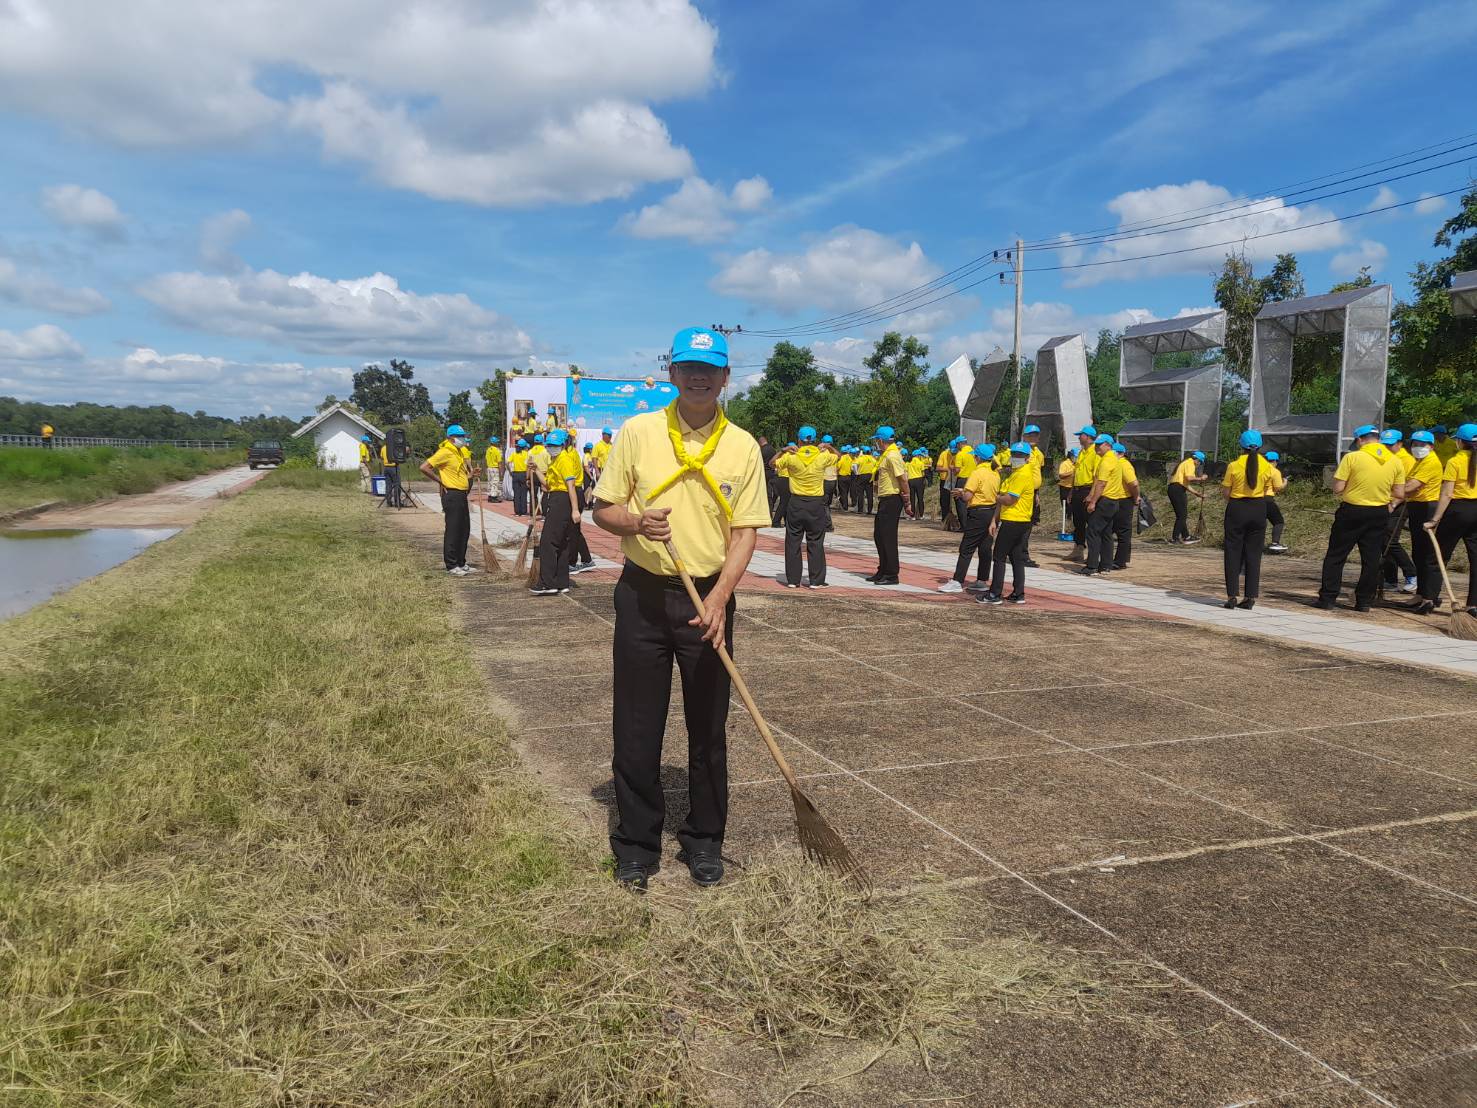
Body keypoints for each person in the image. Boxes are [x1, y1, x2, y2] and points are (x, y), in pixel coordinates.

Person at [591, 326, 767, 891]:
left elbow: (744, 534)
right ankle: (637, 846)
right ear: (671, 372)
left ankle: (704, 841)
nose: (697, 376)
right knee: (637, 728)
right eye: (688, 366)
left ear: (725, 377)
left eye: (709, 368)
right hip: (643, 595)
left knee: (708, 728)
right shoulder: (638, 433)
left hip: (708, 598)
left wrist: (719, 600)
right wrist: (635, 522)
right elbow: (604, 510)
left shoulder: (742, 445)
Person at [1315, 425, 1403, 612]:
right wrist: (1388, 502)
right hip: (1379, 512)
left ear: (1360, 440)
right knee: (1371, 559)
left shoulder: (1352, 457)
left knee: (1336, 555)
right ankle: (1364, 601)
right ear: (1377, 439)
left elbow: (1338, 488)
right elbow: (1399, 493)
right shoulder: (1395, 461)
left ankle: (1328, 598)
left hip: (1352, 511)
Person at [1221, 430, 1282, 610]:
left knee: (1233, 551)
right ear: (1261, 445)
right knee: (1254, 554)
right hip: (1258, 508)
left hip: (1237, 508)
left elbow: (1226, 492)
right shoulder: (1268, 466)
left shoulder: (1233, 465)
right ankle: (1250, 597)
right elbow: (1277, 487)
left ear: (1241, 445)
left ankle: (1232, 596)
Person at [1423, 423, 1477, 617]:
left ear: (1460, 442)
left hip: (1458, 510)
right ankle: (1473, 604)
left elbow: (1446, 493)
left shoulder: (1455, 461)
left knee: (1438, 555)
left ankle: (1429, 598)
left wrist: (1435, 519)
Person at [977, 443, 1038, 604]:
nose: (1016, 457)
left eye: (1020, 454)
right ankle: (1018, 593)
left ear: (1027, 457)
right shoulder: (1016, 473)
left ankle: (994, 593)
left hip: (1014, 520)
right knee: (1016, 557)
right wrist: (994, 520)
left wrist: (995, 497)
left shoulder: (1022, 474)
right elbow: (1004, 499)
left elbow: (1010, 499)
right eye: (1014, 454)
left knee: (999, 556)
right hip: (1020, 520)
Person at [775, 426, 835, 588]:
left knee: (793, 540)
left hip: (796, 502)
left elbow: (772, 463)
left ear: (799, 440)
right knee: (815, 540)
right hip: (816, 502)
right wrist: (828, 447)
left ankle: (793, 580)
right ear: (814, 440)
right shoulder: (822, 456)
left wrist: (783, 450)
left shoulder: (791, 457)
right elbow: (839, 457)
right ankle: (816, 580)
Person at [938, 444, 999, 593]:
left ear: (978, 458)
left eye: (974, 456)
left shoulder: (977, 473)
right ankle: (982, 580)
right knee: (985, 548)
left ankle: (957, 580)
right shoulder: (995, 473)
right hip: (991, 512)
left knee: (966, 547)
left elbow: (968, 496)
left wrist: (961, 493)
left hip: (977, 512)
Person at [529, 430, 583, 595]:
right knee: (561, 543)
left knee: (548, 542)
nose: (552, 448)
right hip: (555, 497)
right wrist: (537, 470)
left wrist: (575, 509)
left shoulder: (564, 460)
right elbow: (548, 485)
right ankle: (561, 581)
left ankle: (548, 583)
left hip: (562, 501)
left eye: (555, 445)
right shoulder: (555, 461)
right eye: (549, 445)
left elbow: (571, 486)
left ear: (563, 445)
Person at [420, 424, 475, 575]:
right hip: (452, 494)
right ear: (451, 438)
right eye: (461, 437)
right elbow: (424, 467)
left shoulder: (457, 452)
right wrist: (440, 481)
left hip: (461, 493)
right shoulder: (444, 452)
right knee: (453, 529)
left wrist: (471, 475)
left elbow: (460, 474)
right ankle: (451, 564)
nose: (463, 439)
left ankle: (461, 561)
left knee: (464, 528)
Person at [1402, 430, 1444, 614]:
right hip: (1416, 507)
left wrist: (1393, 493)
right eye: (1415, 444)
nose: (1417, 448)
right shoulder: (1419, 462)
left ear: (1431, 446)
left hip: (1428, 507)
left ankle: (1430, 595)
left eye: (1422, 444)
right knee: (1418, 553)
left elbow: (1411, 486)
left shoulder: (1431, 462)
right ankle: (1421, 593)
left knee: (1427, 555)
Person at [867, 426, 913, 585]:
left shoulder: (893, 455)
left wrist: (907, 501)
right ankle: (883, 569)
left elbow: (903, 479)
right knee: (879, 535)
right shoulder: (886, 455)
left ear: (880, 440)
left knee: (888, 537)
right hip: (885, 498)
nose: (876, 444)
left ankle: (892, 574)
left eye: (876, 441)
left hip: (892, 499)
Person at [1376, 429, 1419, 594]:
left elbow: (1406, 487)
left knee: (1390, 540)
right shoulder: (1383, 457)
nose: (1387, 447)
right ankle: (1390, 579)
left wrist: (1394, 503)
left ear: (1400, 444)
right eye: (1384, 444)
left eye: (1390, 445)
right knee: (1382, 541)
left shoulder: (1406, 460)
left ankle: (1411, 574)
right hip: (1382, 502)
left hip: (1399, 504)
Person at [1079, 433, 1122, 576]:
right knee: (1106, 533)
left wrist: (1093, 501)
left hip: (1105, 500)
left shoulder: (1106, 461)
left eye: (1100, 444)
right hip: (1113, 501)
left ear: (1108, 445)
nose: (1097, 447)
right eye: (1096, 444)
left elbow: (1101, 483)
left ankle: (1092, 566)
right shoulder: (1115, 459)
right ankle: (1106, 565)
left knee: (1093, 531)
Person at [1068, 425, 1100, 562]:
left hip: (1088, 489)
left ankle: (1093, 554)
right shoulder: (1081, 452)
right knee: (1078, 521)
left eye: (1081, 435)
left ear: (1087, 436)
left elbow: (1097, 476)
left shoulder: (1095, 453)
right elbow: (1076, 473)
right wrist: (1071, 491)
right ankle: (1078, 549)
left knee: (1090, 522)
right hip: (1077, 490)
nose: (1079, 437)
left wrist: (1092, 494)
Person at [1109, 442, 1141, 569]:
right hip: (1116, 499)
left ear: (1119, 453)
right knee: (1113, 530)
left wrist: (1136, 497)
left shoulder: (1124, 464)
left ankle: (1120, 560)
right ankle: (1113, 559)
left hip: (1124, 500)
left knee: (1123, 532)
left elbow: (1133, 483)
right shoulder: (1116, 464)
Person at [1167, 449, 1207, 544]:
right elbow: (1189, 478)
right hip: (1177, 490)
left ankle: (1186, 536)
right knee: (1182, 515)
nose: (1199, 465)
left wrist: (1198, 494)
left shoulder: (1185, 463)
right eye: (1200, 463)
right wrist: (1201, 478)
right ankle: (1175, 538)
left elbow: (1185, 484)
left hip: (1174, 488)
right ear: (1197, 460)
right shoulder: (1190, 464)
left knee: (1181, 515)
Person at [1263, 451, 1288, 553]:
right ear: (1276, 461)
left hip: (1255, 499)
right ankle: (1275, 543)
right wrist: (1285, 482)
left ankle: (1256, 544)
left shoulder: (1259, 469)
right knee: (1278, 521)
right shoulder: (1274, 471)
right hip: (1268, 499)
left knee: (1260, 523)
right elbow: (1278, 487)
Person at [528, 433, 550, 517]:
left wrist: (527, 478)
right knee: (544, 494)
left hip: (533, 474)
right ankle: (544, 514)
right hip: (543, 474)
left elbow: (528, 466)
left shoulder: (530, 452)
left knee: (533, 494)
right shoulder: (546, 451)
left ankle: (532, 513)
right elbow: (549, 464)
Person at [509, 438, 531, 516]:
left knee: (516, 493)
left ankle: (517, 511)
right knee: (523, 493)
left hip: (515, 474)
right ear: (525, 446)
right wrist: (527, 477)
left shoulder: (514, 454)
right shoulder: (526, 454)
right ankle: (523, 511)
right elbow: (528, 466)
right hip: (523, 474)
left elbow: (507, 463)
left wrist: (510, 472)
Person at [906, 448, 929, 519]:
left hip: (911, 480)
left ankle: (912, 516)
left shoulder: (908, 464)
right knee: (920, 498)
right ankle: (921, 515)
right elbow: (923, 474)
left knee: (912, 498)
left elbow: (906, 473)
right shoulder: (921, 463)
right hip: (919, 480)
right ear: (918, 455)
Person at [379, 438, 403, 506]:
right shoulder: (394, 447)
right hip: (393, 467)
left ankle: (389, 502)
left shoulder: (383, 448)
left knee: (388, 486)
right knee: (397, 484)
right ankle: (397, 502)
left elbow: (381, 457)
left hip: (386, 468)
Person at [936, 441, 955, 525]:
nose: (953, 452)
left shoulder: (960, 454)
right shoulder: (944, 454)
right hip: (945, 480)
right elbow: (938, 468)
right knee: (944, 500)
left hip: (955, 479)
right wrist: (947, 469)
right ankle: (945, 519)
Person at [854, 446, 876, 515]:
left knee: (860, 493)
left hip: (861, 476)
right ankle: (869, 510)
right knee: (869, 494)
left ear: (863, 452)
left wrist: (856, 472)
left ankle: (860, 510)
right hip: (870, 476)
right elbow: (877, 466)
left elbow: (854, 465)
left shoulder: (861, 458)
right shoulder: (872, 459)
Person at [483, 436, 504, 503]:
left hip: (489, 468)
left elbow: (485, 460)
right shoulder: (497, 451)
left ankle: (490, 495)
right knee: (495, 482)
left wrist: (485, 469)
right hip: (495, 468)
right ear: (495, 443)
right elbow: (499, 462)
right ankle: (493, 497)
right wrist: (501, 471)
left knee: (490, 482)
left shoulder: (488, 450)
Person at [836, 445, 855, 511]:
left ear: (841, 451)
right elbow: (852, 467)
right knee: (846, 492)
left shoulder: (841, 458)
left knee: (843, 492)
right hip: (849, 477)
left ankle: (845, 506)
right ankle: (844, 504)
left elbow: (838, 467)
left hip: (842, 477)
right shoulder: (850, 458)